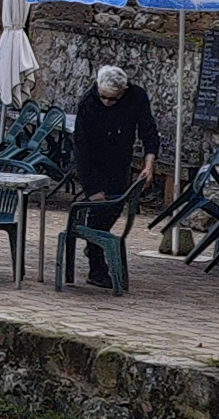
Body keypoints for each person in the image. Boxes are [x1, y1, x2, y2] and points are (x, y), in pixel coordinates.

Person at [68, 59, 161, 284]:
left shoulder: (136, 97)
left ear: (124, 91)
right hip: (93, 159)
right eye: (104, 97)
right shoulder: (88, 103)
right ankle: (97, 268)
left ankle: (95, 248)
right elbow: (81, 148)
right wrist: (92, 188)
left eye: (113, 98)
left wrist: (149, 164)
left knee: (115, 207)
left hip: (120, 159)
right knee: (98, 211)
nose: (108, 102)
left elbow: (149, 132)